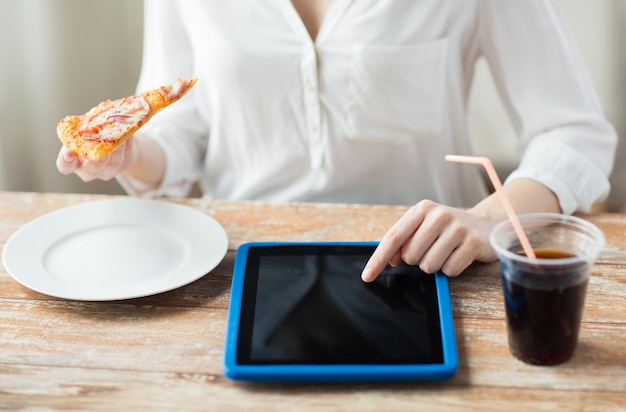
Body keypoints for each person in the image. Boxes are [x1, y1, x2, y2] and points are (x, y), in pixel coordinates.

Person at [57, 0, 617, 282]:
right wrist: (133, 154)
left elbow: (575, 133)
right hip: (233, 270)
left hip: (427, 268)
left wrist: (489, 216)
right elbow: (184, 137)